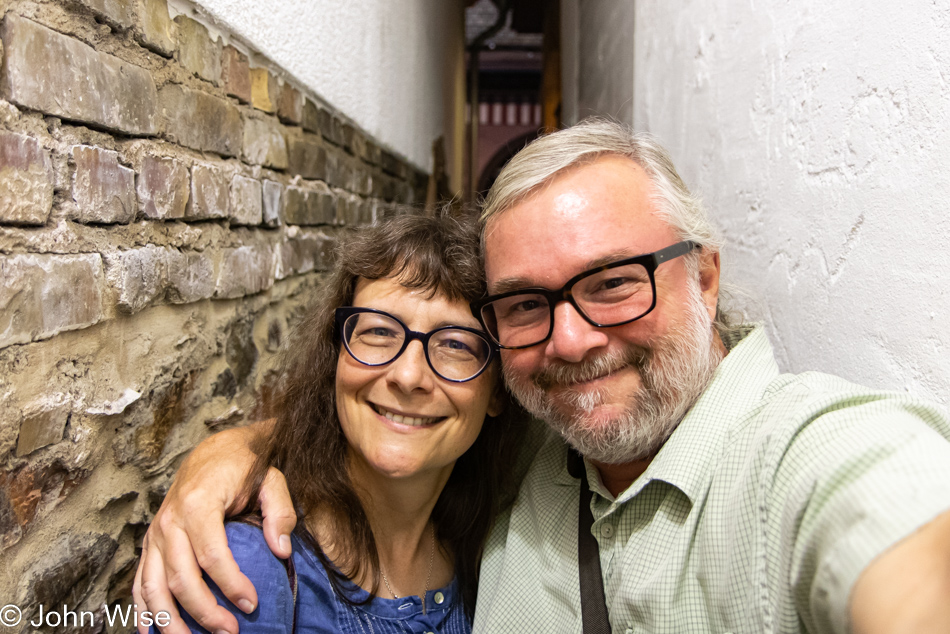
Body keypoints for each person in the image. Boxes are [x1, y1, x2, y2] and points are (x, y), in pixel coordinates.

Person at [135, 120, 950, 634]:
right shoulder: (541, 436)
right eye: (525, 303)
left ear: (703, 278)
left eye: (612, 282)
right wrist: (225, 458)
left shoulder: (810, 457)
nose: (567, 339)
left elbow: (897, 533)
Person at [139, 213, 527, 633]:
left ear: (500, 389)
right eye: (379, 332)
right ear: (336, 358)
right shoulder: (250, 565)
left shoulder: (495, 553)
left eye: (455, 343)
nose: (408, 376)